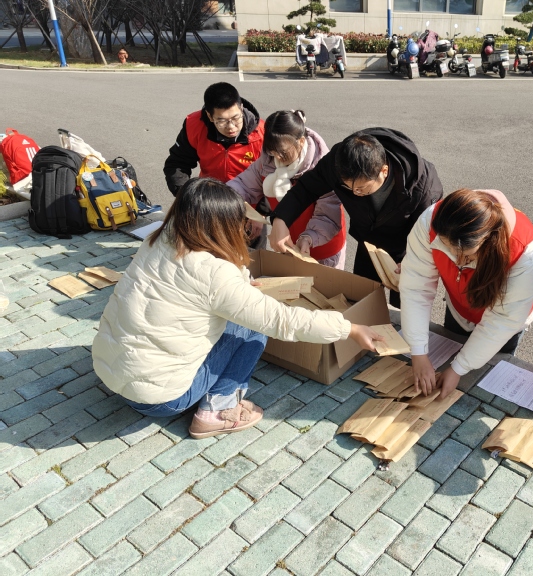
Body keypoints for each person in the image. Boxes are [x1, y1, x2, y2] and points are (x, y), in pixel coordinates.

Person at [92, 178, 382, 439]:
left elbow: (217, 272)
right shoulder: (213, 274)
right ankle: (218, 409)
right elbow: (282, 320)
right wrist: (350, 328)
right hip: (162, 400)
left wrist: (241, 283)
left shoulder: (161, 239)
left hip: (112, 373)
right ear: (219, 227)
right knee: (251, 329)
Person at [268, 128, 443, 306]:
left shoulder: (424, 186)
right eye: (348, 187)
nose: (355, 193)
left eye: (362, 188)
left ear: (384, 170)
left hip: (406, 248)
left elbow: (427, 235)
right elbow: (307, 188)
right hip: (368, 241)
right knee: (362, 301)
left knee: (405, 307)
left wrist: (412, 261)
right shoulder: (340, 162)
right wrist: (280, 219)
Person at [400, 189, 533, 399]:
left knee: (487, 379)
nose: (457, 261)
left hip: (504, 323)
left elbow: (503, 320)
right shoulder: (431, 222)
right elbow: (416, 286)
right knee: (451, 352)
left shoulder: (524, 251)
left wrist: (459, 368)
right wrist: (418, 352)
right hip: (459, 309)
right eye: (448, 250)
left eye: (467, 256)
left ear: (489, 241)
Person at [227, 110, 346, 268]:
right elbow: (243, 185)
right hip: (287, 244)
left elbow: (327, 216)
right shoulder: (267, 161)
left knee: (325, 283)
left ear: (301, 141)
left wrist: (308, 237)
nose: (277, 157)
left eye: (283, 152)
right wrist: (224, 199)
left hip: (322, 247)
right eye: (272, 151)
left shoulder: (322, 168)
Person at [163, 82, 265, 195]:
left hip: (250, 200)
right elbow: (177, 163)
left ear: (241, 108)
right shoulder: (194, 126)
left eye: (236, 118)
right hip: (210, 199)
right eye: (222, 121)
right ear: (209, 116)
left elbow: (272, 174)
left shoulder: (263, 133)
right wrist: (186, 196)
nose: (231, 127)